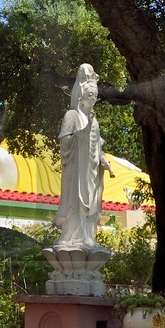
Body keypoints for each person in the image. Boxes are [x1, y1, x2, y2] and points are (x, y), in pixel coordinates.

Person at [55, 64, 110, 248]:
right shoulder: (71, 116)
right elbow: (64, 143)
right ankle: (71, 235)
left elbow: (97, 146)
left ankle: (87, 234)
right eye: (90, 93)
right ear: (81, 95)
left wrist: (103, 158)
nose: (93, 97)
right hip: (76, 172)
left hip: (91, 172)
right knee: (76, 202)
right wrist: (80, 136)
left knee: (91, 204)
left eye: (95, 94)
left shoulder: (94, 121)